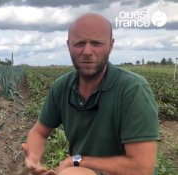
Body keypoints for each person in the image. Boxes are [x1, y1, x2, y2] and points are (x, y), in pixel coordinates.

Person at [21, 12, 160, 175]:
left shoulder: (132, 89)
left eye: (96, 43)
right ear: (68, 45)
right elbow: (40, 131)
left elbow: (142, 168)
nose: (87, 51)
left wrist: (77, 161)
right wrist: (34, 158)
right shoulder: (62, 86)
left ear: (111, 45)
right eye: (79, 43)